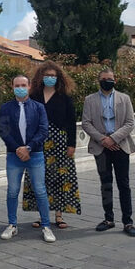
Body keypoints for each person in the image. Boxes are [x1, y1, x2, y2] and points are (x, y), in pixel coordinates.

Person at [0, 75, 56, 243]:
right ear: (12, 87)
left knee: (40, 190)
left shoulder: (38, 107)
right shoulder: (6, 108)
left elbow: (43, 130)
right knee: (12, 191)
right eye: (17, 85)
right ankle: (12, 225)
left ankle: (46, 226)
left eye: (23, 85)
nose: (20, 88)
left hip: (35, 154)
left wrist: (29, 147)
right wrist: (17, 148)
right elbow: (3, 130)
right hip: (13, 155)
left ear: (29, 86)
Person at [23, 61, 80, 229]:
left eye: (53, 76)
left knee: (60, 178)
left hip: (60, 142)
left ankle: (59, 215)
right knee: (40, 178)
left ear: (58, 78)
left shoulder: (65, 97)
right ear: (41, 77)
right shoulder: (34, 96)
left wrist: (72, 144)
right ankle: (43, 215)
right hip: (38, 142)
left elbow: (71, 122)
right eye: (47, 75)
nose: (50, 78)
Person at [82, 67, 135, 237]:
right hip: (101, 147)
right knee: (105, 184)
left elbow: (130, 123)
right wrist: (103, 139)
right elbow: (86, 123)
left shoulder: (124, 98)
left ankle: (128, 221)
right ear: (99, 80)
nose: (107, 81)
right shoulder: (90, 100)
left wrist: (113, 138)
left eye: (110, 78)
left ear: (115, 80)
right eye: (104, 78)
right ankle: (108, 219)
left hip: (120, 146)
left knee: (124, 184)